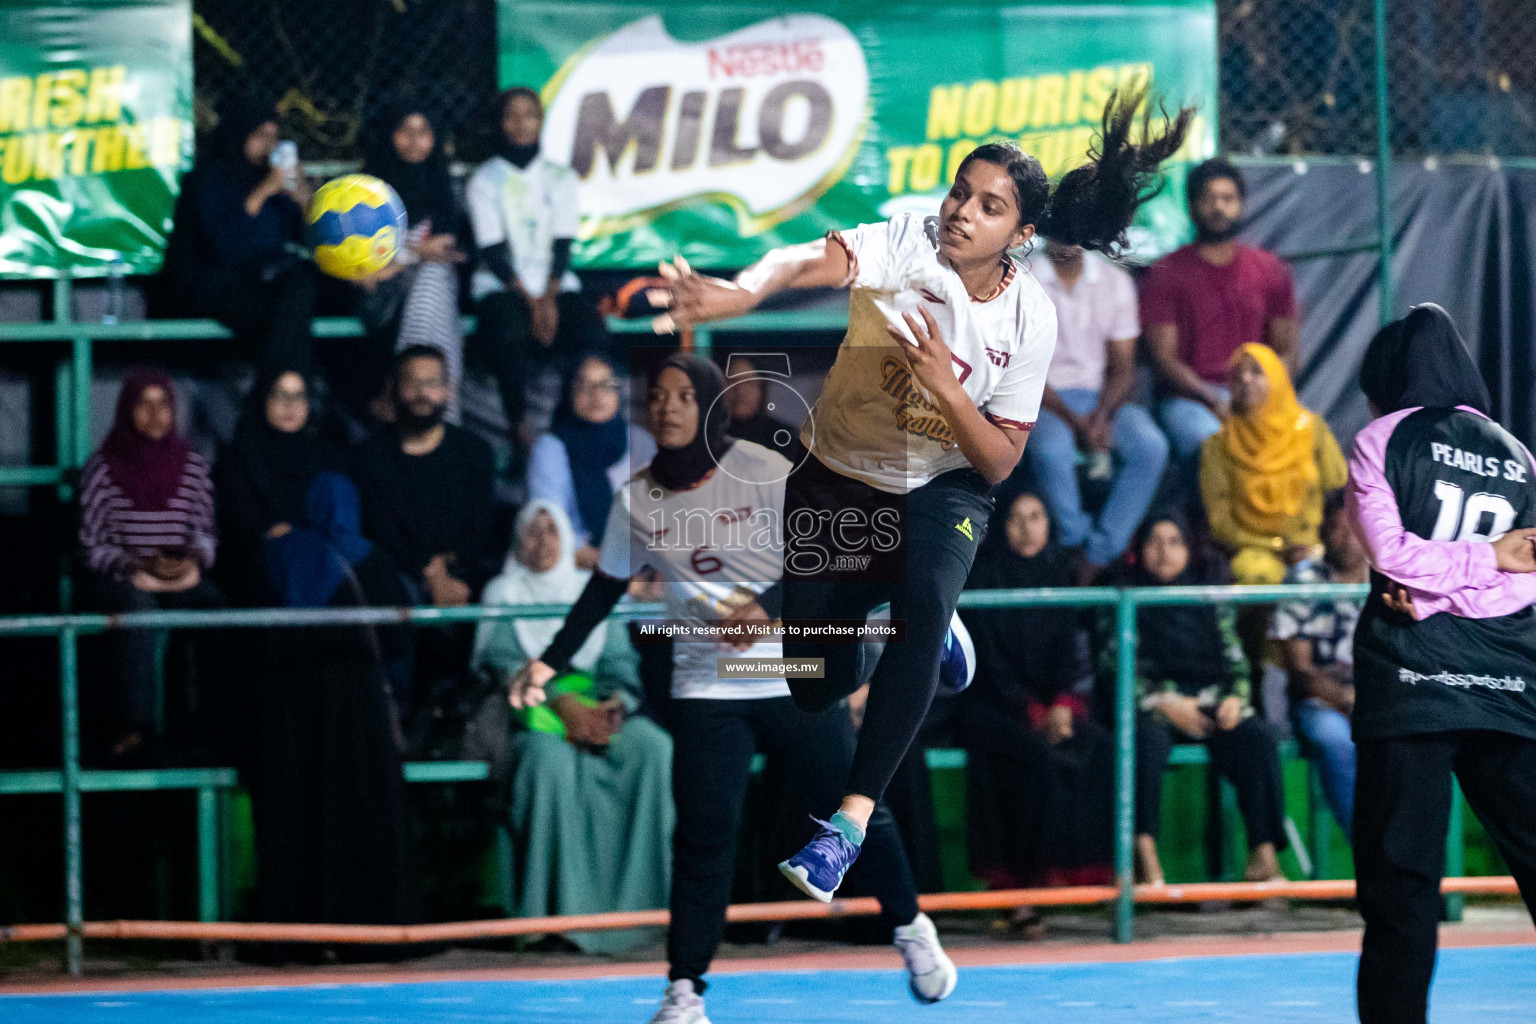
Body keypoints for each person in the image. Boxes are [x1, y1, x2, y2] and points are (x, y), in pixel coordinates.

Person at [657, 85, 1194, 900]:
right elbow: (807, 257)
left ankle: (846, 826)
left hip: (945, 487)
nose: (961, 212)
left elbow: (1002, 462)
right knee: (814, 683)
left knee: (923, 601)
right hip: (837, 481)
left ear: (1021, 233)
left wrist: (947, 388)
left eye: (989, 205)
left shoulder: (1029, 316)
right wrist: (743, 290)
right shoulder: (906, 241)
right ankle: (915, 626)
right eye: (958, 191)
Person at [510, 355, 957, 1023]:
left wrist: (770, 604)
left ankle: (910, 928)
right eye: (657, 397)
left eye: (684, 396)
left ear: (710, 406)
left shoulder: (763, 470)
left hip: (790, 672)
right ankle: (684, 991)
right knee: (702, 837)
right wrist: (548, 663)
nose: (667, 407)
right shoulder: (635, 499)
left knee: (852, 810)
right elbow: (603, 589)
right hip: (704, 688)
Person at [1347, 303, 1536, 1024]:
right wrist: (1485, 563)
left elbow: (1391, 556)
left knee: (1402, 889)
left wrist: (1429, 598)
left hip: (1411, 684)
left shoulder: (1382, 437)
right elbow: (1525, 572)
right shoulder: (1517, 453)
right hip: (1510, 681)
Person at [472, 500, 672, 954]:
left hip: (596, 707)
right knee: (550, 762)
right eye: (531, 532)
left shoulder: (589, 589)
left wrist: (611, 709)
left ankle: (644, 914)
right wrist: (562, 706)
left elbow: (621, 668)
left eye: (552, 531)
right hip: (531, 715)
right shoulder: (504, 593)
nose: (543, 542)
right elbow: (499, 667)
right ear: (516, 541)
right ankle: (556, 922)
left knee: (652, 748)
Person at [245, 468, 418, 942]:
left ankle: (296, 935)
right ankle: (367, 934)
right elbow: (398, 641)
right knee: (357, 814)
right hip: (356, 711)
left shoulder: (275, 557)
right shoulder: (369, 561)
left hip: (286, 713)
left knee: (295, 813)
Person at [1099, 512, 1288, 886]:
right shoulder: (1124, 594)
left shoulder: (1208, 596)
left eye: (1174, 542)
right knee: (1144, 743)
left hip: (1208, 703)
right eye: (1154, 542)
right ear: (1140, 550)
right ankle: (1143, 855)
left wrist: (1235, 698)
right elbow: (1114, 667)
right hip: (1152, 708)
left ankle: (1263, 857)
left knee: (1257, 739)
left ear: (1189, 549)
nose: (1163, 552)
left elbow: (1236, 662)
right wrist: (1163, 701)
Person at [958, 493, 1111, 933]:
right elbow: (987, 662)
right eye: (1016, 519)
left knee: (1097, 745)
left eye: (1037, 517)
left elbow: (1073, 654)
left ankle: (1087, 878)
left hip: (1049, 708)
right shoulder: (982, 577)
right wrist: (1033, 713)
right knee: (1033, 758)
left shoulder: (1061, 576)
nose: (1027, 529)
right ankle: (1016, 893)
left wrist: (1062, 706)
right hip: (989, 706)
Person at [79, 369, 224, 759]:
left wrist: (189, 560)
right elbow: (90, 546)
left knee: (212, 607)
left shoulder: (192, 468)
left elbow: (206, 534)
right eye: (144, 403)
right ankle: (135, 727)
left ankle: (206, 723)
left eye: (163, 403)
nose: (155, 413)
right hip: (125, 577)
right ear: (127, 409)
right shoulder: (103, 469)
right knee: (135, 611)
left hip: (178, 575)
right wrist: (134, 565)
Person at [350, 345, 497, 720]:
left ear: (448, 391)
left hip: (464, 571)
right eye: (412, 383)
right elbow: (379, 531)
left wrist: (450, 570)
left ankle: (467, 721)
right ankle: (399, 719)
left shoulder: (475, 452)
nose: (422, 393)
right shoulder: (369, 457)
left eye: (432, 383)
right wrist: (430, 573)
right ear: (395, 389)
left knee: (497, 596)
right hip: (401, 574)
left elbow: (480, 528)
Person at [1141, 157, 1298, 488]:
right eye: (1209, 198)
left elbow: (1286, 349)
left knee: (1304, 441)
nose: (1218, 208)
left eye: (1228, 199)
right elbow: (1164, 358)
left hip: (1256, 394)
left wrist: (1260, 394)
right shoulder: (1166, 274)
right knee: (1218, 446)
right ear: (1193, 205)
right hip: (1191, 401)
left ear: (1241, 205)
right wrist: (1214, 399)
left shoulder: (1270, 270)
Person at [468, 87, 610, 443]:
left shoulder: (560, 177)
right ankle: (519, 428)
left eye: (529, 114)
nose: (520, 123)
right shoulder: (484, 180)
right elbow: (493, 251)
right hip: (503, 286)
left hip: (553, 287)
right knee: (505, 332)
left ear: (541, 120)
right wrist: (532, 305)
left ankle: (569, 423)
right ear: (500, 123)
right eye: (511, 115)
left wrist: (548, 298)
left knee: (590, 329)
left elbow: (563, 244)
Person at [1024, 237, 1168, 574]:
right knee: (1050, 451)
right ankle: (1075, 541)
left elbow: (1123, 367)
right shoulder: (1022, 279)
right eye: (1060, 226)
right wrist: (1075, 422)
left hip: (1102, 399)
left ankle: (1100, 553)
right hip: (1043, 398)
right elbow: (1023, 368)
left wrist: (1101, 417)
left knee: (1151, 447)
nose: (1069, 235)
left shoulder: (1113, 281)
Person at [159, 94, 317, 369]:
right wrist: (264, 190)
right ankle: (279, 385)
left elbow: (307, 241)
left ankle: (283, 385)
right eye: (260, 135)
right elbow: (225, 245)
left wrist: (303, 196)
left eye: (274, 136)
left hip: (263, 283)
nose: (268, 145)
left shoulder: (276, 184)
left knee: (302, 287)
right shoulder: (209, 179)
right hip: (212, 284)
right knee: (278, 312)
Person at [356, 98, 467, 423]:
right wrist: (417, 253)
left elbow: (443, 246)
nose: (415, 141)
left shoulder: (441, 183)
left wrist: (397, 258)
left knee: (432, 277)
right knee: (431, 277)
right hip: (381, 299)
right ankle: (444, 402)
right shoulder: (368, 186)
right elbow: (361, 263)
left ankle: (404, 390)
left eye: (424, 131)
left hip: (418, 283)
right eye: (405, 130)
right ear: (390, 135)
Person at [1199, 343, 1348, 585]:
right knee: (1256, 574)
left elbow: (1338, 482)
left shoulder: (1310, 430)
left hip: (1309, 547)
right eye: (1237, 374)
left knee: (1320, 575)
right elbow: (1219, 520)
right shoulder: (1218, 446)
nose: (1246, 379)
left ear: (1277, 378)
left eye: (1257, 371)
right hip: (1251, 552)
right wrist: (1274, 545)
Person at [1269, 491, 1366, 834]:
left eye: (1353, 526)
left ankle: (1419, 865)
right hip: (1321, 705)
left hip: (1381, 702)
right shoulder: (1303, 581)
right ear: (1323, 531)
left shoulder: (1389, 581)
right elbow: (1300, 672)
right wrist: (1344, 699)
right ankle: (1368, 851)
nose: (1346, 536)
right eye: (1336, 527)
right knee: (1334, 739)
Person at [213, 367, 344, 604]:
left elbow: (338, 519)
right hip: (253, 562)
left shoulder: (327, 457)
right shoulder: (239, 458)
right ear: (263, 399)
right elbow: (235, 521)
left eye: (298, 396)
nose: (289, 405)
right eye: (280, 395)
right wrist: (270, 536)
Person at [526, 354, 655, 566]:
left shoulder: (640, 443)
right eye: (584, 385)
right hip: (570, 569)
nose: (596, 395)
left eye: (605, 385)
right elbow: (549, 532)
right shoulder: (550, 448)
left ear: (617, 392)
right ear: (570, 393)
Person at [721, 355, 797, 460]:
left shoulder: (784, 437)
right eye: (732, 382)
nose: (740, 391)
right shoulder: (709, 437)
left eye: (748, 383)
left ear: (762, 389)